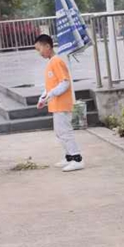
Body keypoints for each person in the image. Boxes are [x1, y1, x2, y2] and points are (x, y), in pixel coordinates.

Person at [34, 34, 84, 172]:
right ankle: (69, 157)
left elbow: (65, 83)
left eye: (39, 49)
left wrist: (50, 94)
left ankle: (77, 158)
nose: (39, 53)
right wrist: (43, 97)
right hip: (56, 104)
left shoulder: (57, 61)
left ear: (48, 46)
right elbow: (51, 86)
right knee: (59, 132)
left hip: (62, 104)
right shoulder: (51, 62)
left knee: (65, 132)